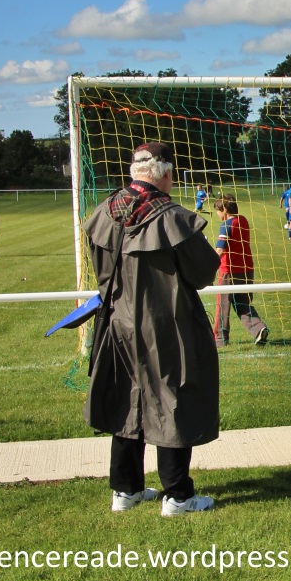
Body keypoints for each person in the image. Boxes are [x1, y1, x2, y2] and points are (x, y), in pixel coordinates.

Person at [82, 142, 221, 517]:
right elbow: (203, 272)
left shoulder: (104, 213)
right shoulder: (171, 217)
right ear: (165, 173)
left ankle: (125, 490)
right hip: (167, 324)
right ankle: (177, 495)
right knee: (172, 399)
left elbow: (101, 271)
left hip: (119, 322)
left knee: (128, 399)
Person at [212, 195, 269, 347]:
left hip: (229, 271)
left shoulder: (226, 225)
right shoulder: (243, 220)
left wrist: (209, 265)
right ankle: (259, 329)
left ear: (225, 209)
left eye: (218, 210)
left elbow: (220, 249)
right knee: (242, 303)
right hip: (247, 269)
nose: (217, 213)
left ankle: (219, 339)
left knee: (222, 305)